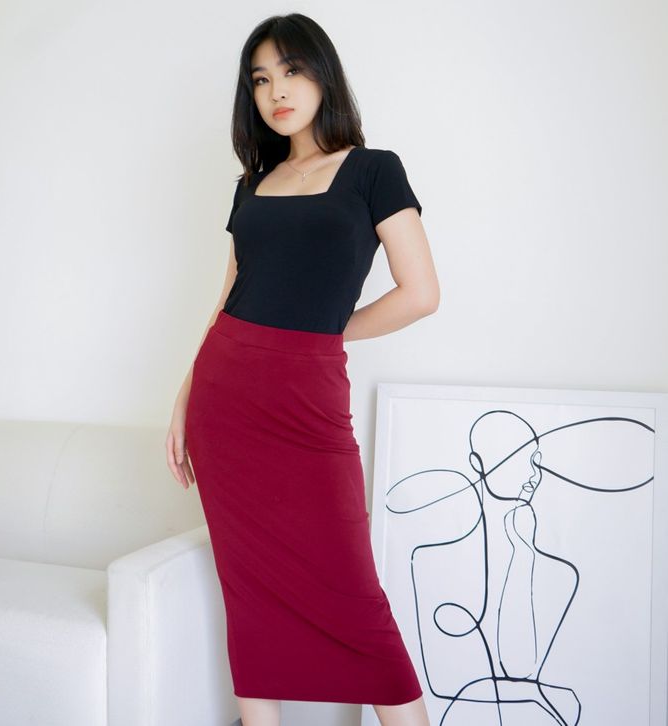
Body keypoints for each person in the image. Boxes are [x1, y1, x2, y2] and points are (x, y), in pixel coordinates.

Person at [166, 13, 439, 726]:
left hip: (307, 398)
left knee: (355, 596)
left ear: (323, 74)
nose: (276, 91)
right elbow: (228, 297)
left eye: (290, 70)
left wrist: (321, 333)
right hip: (225, 399)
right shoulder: (252, 184)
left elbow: (420, 293)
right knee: (247, 593)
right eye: (260, 79)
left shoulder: (374, 170)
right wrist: (184, 397)